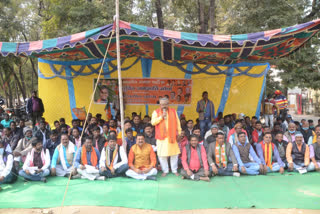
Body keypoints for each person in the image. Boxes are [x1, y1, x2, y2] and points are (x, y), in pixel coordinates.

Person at [151, 97, 181, 177]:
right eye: (162, 104)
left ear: (168, 104)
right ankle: (165, 170)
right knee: (162, 155)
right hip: (161, 137)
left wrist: (180, 133)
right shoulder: (156, 112)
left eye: (165, 104)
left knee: (174, 154)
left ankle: (174, 170)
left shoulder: (173, 111)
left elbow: (178, 122)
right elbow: (153, 122)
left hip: (172, 136)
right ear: (160, 104)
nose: (164, 106)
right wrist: (161, 117)